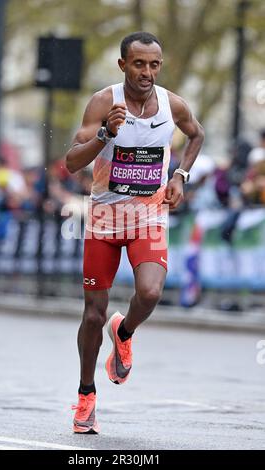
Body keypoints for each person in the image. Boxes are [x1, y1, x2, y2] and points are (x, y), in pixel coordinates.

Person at [65, 31, 204, 434]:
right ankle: (86, 395)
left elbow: (195, 134)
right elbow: (72, 162)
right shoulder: (104, 102)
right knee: (93, 314)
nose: (146, 72)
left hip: (149, 216)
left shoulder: (172, 104)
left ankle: (123, 332)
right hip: (106, 218)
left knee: (149, 292)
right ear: (123, 64)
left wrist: (180, 174)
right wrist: (105, 135)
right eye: (139, 64)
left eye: (154, 65)